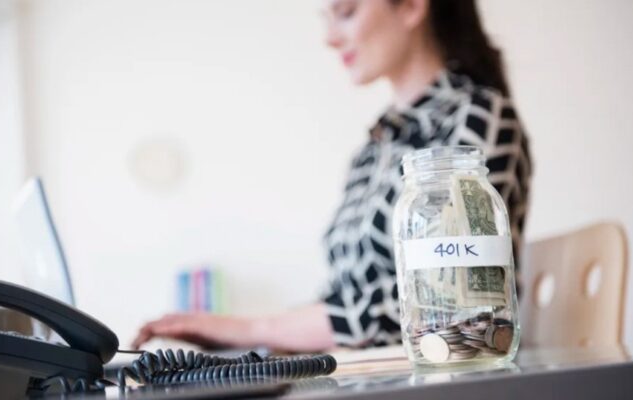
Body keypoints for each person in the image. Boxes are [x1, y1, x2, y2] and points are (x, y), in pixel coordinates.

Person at [132, 0, 531, 352]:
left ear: (411, 6)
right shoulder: (375, 147)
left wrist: (253, 329)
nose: (329, 38)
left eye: (345, 12)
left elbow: (443, 303)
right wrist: (254, 339)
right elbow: (345, 296)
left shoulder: (479, 121)